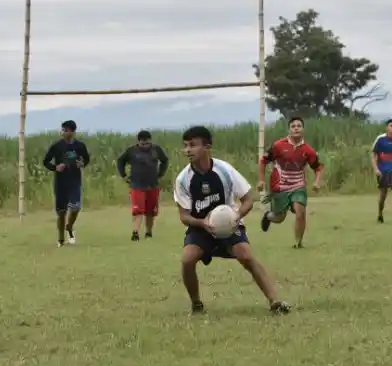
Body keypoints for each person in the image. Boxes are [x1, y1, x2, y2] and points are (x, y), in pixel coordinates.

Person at [173, 125, 290, 315]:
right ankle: (196, 304)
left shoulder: (224, 170)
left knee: (246, 256)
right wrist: (203, 223)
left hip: (229, 225)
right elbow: (184, 216)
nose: (187, 150)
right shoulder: (183, 179)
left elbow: (248, 200)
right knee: (187, 260)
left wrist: (235, 217)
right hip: (201, 228)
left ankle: (274, 301)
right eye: (185, 146)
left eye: (193, 145)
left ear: (207, 147)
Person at [258, 116, 324, 248]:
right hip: (279, 185)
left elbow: (318, 167)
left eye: (299, 126)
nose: (296, 128)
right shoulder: (278, 146)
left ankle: (298, 243)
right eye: (293, 126)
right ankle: (268, 216)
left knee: (301, 211)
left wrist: (317, 182)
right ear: (289, 130)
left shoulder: (308, 150)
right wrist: (260, 180)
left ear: (303, 129)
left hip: (298, 185)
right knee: (279, 217)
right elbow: (263, 161)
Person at [42, 119, 90, 247]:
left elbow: (86, 159)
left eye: (65, 130)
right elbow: (45, 161)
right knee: (61, 212)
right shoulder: (56, 146)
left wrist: (82, 164)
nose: (62, 132)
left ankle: (69, 227)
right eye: (62, 130)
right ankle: (61, 239)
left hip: (74, 181)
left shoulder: (80, 146)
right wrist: (55, 167)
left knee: (76, 207)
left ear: (72, 132)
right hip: (60, 182)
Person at [117, 130, 169, 241]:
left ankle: (148, 233)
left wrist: (160, 174)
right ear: (138, 142)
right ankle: (135, 232)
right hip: (137, 185)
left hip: (153, 185)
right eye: (143, 144)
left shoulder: (156, 149)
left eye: (147, 143)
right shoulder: (132, 151)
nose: (145, 146)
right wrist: (124, 175)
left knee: (151, 211)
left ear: (150, 141)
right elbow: (120, 161)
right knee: (138, 210)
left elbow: (165, 161)